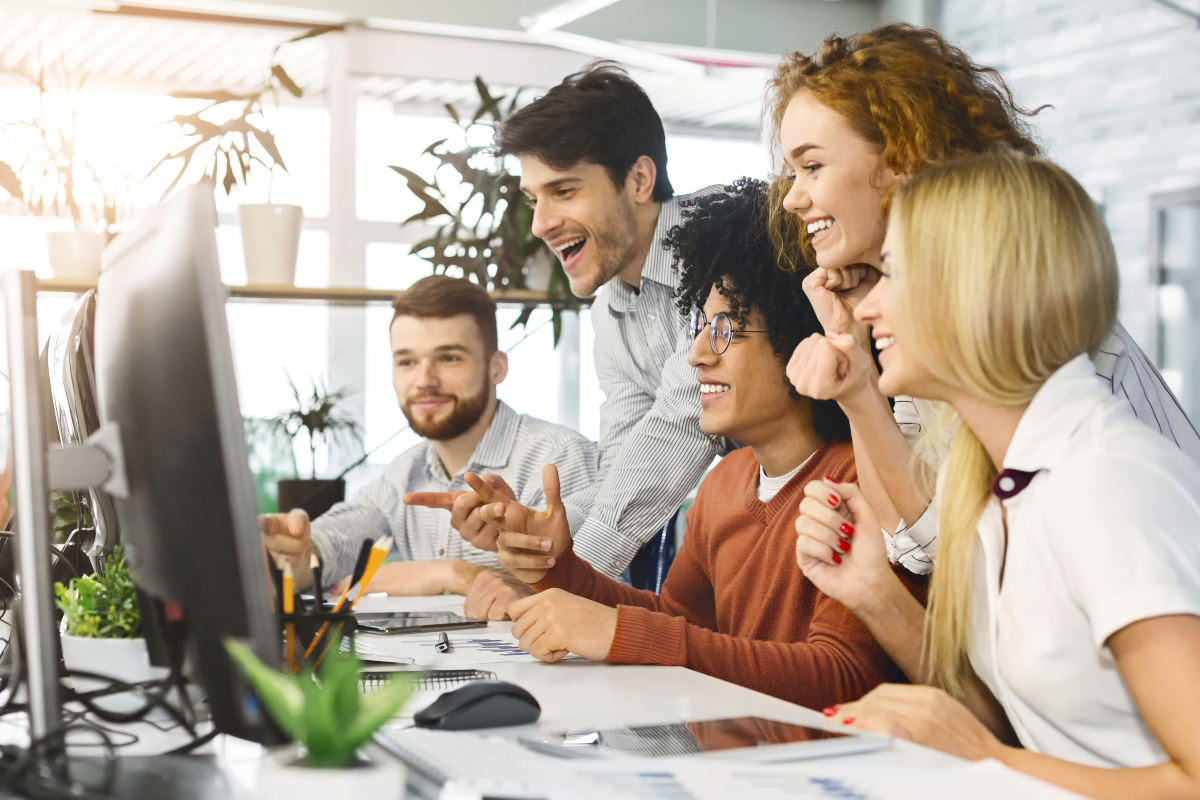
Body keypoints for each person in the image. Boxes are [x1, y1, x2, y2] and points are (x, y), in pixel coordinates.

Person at [796, 152, 1200, 799]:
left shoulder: (1106, 482)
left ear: (973, 287)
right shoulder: (997, 482)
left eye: (893, 274)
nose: (870, 305)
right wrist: (872, 587)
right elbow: (1011, 724)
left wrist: (989, 761)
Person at [472, 179, 924, 709]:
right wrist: (561, 569)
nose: (697, 355)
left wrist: (620, 633)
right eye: (701, 325)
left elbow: (842, 676)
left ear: (799, 335)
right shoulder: (727, 484)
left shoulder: (863, 482)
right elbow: (682, 626)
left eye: (726, 330)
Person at [768, 23, 1200, 575]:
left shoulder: (1025, 322)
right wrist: (855, 373)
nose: (793, 199)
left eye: (812, 166)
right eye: (790, 172)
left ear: (899, 158)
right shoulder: (913, 328)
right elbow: (915, 542)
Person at [479, 61, 728, 580]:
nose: (541, 224)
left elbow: (682, 426)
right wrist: (542, 539)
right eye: (534, 198)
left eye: (564, 191)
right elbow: (626, 464)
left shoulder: (721, 241)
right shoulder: (611, 310)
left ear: (639, 180)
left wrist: (566, 577)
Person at [260, 275, 599, 597]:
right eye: (406, 362)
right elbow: (338, 540)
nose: (424, 380)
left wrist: (450, 573)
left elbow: (592, 592)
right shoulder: (405, 472)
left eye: (449, 357)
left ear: (497, 368)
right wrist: (298, 551)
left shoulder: (560, 458)